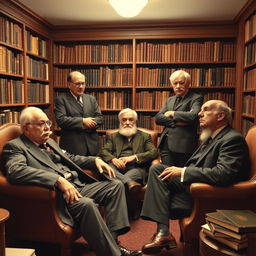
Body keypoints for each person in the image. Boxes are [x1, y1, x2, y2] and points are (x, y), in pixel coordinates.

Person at [3, 107, 142, 256]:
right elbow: (15, 171)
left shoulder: (49, 142)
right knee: (87, 204)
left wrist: (95, 160)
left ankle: (113, 244)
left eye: (48, 123)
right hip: (59, 195)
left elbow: (71, 158)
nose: (47, 128)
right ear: (26, 128)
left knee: (115, 185)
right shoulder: (15, 146)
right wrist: (57, 180)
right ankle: (114, 254)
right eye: (40, 124)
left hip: (78, 185)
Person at [140, 100, 250, 255]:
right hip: (195, 185)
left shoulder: (232, 139)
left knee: (160, 187)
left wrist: (183, 172)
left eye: (206, 110)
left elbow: (223, 174)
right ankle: (164, 232)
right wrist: (183, 172)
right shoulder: (212, 137)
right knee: (157, 169)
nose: (199, 113)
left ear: (220, 116)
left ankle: (163, 231)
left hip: (207, 194)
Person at [100, 108, 158, 192]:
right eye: (124, 120)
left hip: (136, 168)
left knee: (116, 181)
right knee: (104, 167)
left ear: (135, 121)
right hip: (116, 168)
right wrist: (113, 159)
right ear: (120, 121)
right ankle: (129, 182)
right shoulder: (113, 136)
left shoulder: (145, 136)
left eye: (130, 119)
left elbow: (154, 152)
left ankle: (122, 181)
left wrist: (134, 157)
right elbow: (104, 151)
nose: (127, 122)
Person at [155, 70, 203, 166]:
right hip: (165, 144)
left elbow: (193, 116)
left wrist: (172, 113)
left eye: (181, 83)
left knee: (178, 177)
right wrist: (176, 123)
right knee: (165, 175)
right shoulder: (169, 100)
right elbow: (158, 118)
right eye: (175, 83)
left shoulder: (196, 98)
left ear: (188, 84)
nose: (178, 86)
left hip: (183, 145)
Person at [55, 70, 103, 156]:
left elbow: (100, 118)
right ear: (69, 85)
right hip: (73, 147)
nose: (81, 87)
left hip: (92, 146)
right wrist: (82, 121)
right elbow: (61, 120)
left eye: (83, 83)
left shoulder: (91, 99)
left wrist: (89, 124)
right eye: (77, 84)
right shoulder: (61, 99)